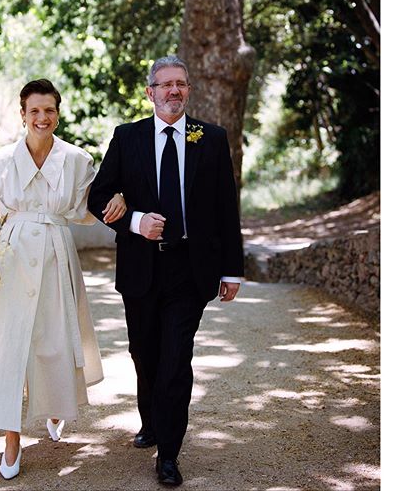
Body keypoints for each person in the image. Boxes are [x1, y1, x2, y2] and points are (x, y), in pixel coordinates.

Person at [87, 56, 244, 486]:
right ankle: (152, 421)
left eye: (181, 84)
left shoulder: (211, 139)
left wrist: (232, 270)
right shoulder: (127, 137)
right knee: (145, 353)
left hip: (190, 269)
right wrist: (134, 221)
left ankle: (169, 454)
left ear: (188, 91)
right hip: (140, 265)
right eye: (166, 84)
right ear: (150, 92)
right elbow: (97, 194)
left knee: (176, 359)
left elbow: (226, 208)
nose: (174, 91)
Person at [0, 79, 127, 480]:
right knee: (9, 350)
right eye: (34, 111)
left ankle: (56, 405)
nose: (43, 118)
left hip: (57, 255)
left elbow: (91, 205)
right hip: (10, 258)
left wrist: (120, 198)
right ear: (22, 114)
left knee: (55, 341)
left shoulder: (77, 159)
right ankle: (11, 438)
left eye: (49, 110)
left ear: (58, 113)